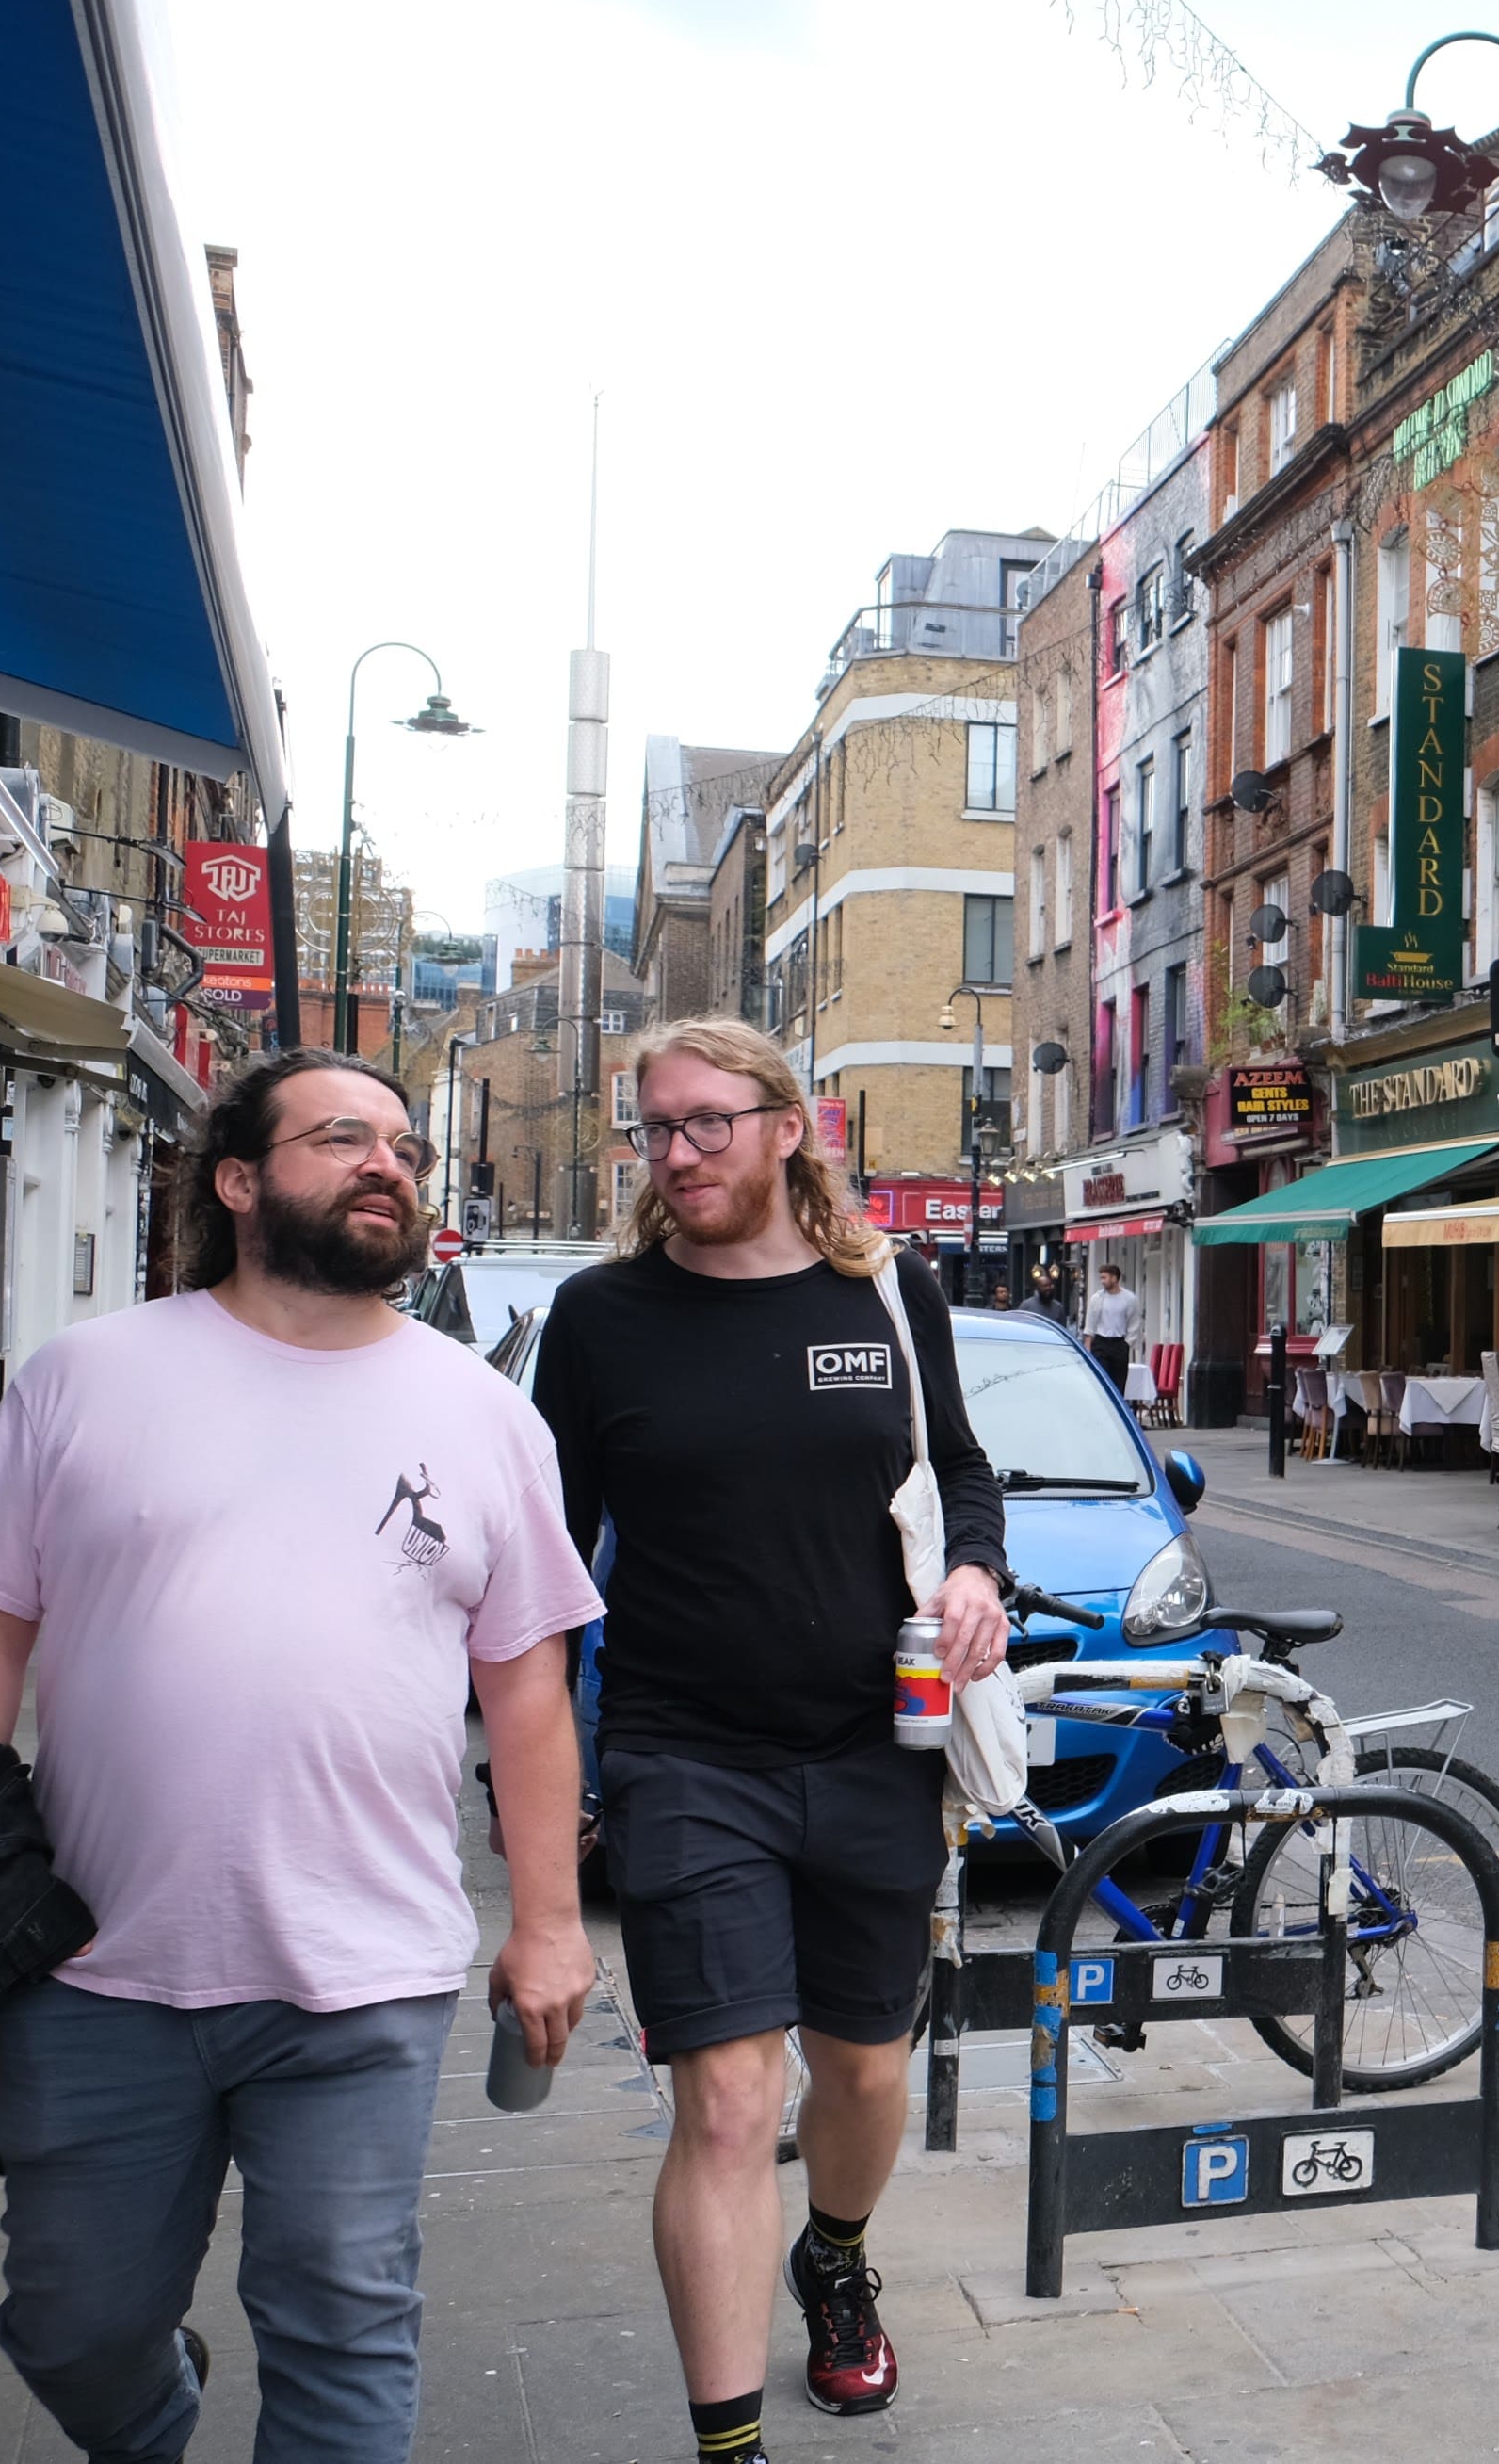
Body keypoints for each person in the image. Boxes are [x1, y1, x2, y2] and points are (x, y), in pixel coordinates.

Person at [0, 1049, 603, 2463]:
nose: (388, 1162)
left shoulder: (485, 1413)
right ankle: (155, 2413)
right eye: (340, 1138)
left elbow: (528, 1686)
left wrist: (551, 1922)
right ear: (241, 1179)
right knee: (71, 2320)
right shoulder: (87, 1377)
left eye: (404, 1146)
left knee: (345, 2315)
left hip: (362, 1966)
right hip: (91, 1957)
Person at [532, 1019, 1006, 2462]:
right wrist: (537, 1804)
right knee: (730, 2099)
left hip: (879, 1741)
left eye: (707, 1123)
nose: (676, 1154)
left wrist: (977, 1571)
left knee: (862, 2068)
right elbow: (546, 1567)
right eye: (655, 1129)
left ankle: (838, 2253)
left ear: (790, 1127)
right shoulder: (602, 1316)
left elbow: (962, 1472)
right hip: (683, 1753)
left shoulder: (889, 1291)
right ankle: (725, 2442)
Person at [1083, 1262, 1140, 1400]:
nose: (1102, 1281)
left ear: (1114, 1278)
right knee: (1101, 1381)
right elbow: (1090, 1324)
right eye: (1101, 1278)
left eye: (1104, 1278)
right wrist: (1088, 1346)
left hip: (1119, 1344)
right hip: (1101, 1343)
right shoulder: (1097, 1298)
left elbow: (1134, 1323)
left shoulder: (1129, 1299)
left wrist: (1127, 1344)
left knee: (1118, 1383)